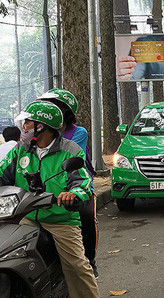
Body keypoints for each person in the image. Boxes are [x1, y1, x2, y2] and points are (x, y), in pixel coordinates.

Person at [0, 101, 114, 298]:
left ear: (44, 127)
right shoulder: (21, 151)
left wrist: (73, 193)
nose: (25, 127)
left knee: (77, 265)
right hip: (25, 217)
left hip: (61, 220)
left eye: (29, 123)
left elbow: (83, 180)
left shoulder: (70, 150)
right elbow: (2, 174)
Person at [37, 88, 99, 279]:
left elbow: (69, 154)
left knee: (86, 218)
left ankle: (90, 262)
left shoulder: (78, 133)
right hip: (46, 186)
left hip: (76, 185)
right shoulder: (32, 137)